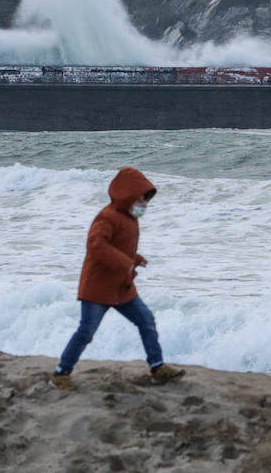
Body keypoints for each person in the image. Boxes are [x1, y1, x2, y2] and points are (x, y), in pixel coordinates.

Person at [51, 167, 185, 389]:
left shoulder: (130, 219)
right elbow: (96, 245)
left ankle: (158, 366)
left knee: (146, 320)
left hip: (122, 286)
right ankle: (61, 374)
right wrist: (125, 262)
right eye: (141, 199)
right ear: (127, 196)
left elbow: (119, 247)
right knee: (86, 332)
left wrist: (135, 258)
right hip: (98, 287)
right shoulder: (107, 217)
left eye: (146, 200)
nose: (144, 205)